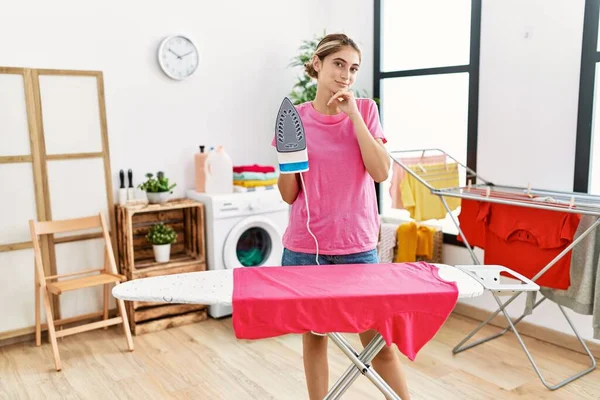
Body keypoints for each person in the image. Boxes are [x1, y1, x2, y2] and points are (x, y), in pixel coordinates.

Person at [272, 33, 411, 400]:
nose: (346, 75)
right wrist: (291, 157)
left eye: (353, 68)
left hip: (357, 245)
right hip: (306, 247)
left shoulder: (365, 111)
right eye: (338, 64)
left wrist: (353, 117)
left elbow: (380, 172)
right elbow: (289, 194)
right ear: (317, 64)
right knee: (315, 338)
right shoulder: (295, 118)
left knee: (378, 344)